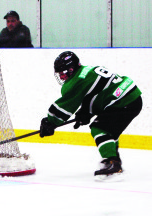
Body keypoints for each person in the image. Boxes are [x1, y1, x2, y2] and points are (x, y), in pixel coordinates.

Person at [40, 51, 142, 180]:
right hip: (129, 97)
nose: (61, 77)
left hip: (124, 101)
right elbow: (98, 93)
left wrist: (50, 122)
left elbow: (65, 106)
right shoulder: (86, 71)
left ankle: (113, 163)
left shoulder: (76, 81)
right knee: (109, 131)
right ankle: (113, 161)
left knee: (100, 128)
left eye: (62, 73)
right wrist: (86, 113)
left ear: (71, 70)